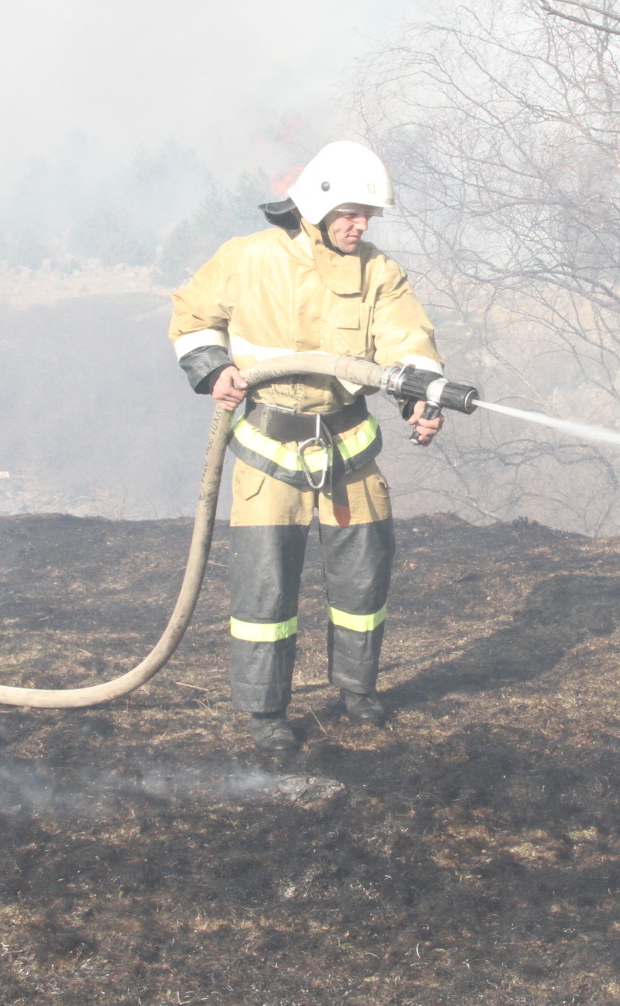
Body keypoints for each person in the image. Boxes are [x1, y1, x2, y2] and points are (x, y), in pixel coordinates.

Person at [169, 140, 446, 753]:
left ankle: (356, 689)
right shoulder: (248, 260)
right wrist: (214, 368)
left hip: (350, 448)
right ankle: (267, 711)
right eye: (351, 212)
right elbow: (192, 318)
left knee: (363, 579)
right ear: (317, 206)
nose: (361, 225)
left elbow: (408, 342)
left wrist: (421, 398)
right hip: (270, 452)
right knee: (265, 589)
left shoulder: (379, 272)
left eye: (369, 214)